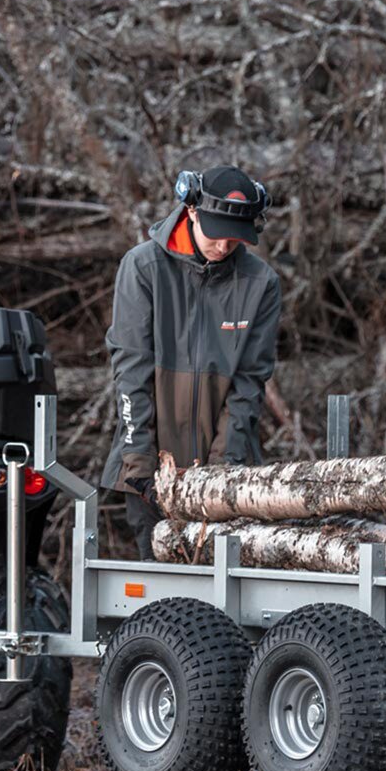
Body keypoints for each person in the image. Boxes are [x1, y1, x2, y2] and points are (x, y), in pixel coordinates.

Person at [100, 164, 283, 551]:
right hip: (150, 468)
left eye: (236, 238)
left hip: (226, 475)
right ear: (192, 210)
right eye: (217, 234)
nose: (224, 246)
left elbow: (250, 382)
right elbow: (131, 373)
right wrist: (139, 464)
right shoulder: (143, 268)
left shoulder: (260, 283)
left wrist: (222, 471)